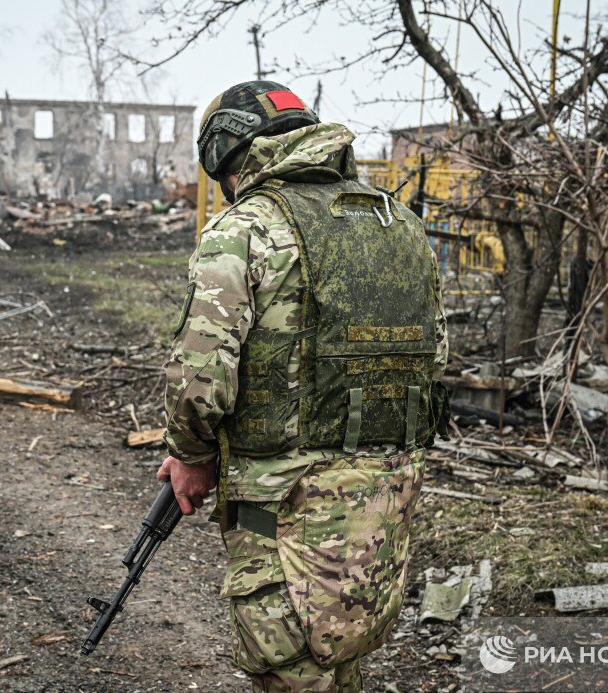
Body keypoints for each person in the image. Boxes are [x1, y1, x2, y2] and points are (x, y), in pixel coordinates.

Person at [157, 80, 449, 692]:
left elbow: (198, 377)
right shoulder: (400, 225)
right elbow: (434, 359)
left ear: (226, 156)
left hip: (280, 505)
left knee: (291, 668)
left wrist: (191, 454)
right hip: (384, 499)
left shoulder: (245, 229)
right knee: (343, 659)